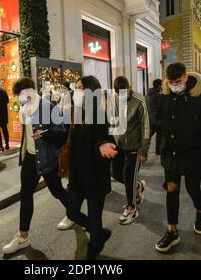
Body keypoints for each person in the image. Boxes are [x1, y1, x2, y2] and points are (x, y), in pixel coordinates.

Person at [2, 77, 71, 255]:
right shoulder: (24, 110)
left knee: (57, 191)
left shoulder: (49, 107)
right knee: (25, 194)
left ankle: (74, 213)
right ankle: (23, 237)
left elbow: (62, 135)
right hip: (30, 159)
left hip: (47, 158)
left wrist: (45, 134)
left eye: (20, 95)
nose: (18, 98)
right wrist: (23, 156)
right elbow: (26, 136)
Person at [155, 62, 201, 253]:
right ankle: (172, 231)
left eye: (177, 81)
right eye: (170, 81)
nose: (174, 85)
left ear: (186, 77)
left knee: (194, 189)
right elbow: (157, 120)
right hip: (171, 154)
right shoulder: (164, 97)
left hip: (193, 154)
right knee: (171, 190)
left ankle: (200, 212)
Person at [66, 75, 118, 260]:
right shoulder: (76, 113)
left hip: (94, 176)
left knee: (95, 218)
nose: (77, 91)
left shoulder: (99, 115)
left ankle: (96, 242)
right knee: (71, 211)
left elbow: (106, 141)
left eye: (81, 88)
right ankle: (99, 233)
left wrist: (102, 146)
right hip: (78, 176)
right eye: (76, 87)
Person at [111, 76, 150, 225]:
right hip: (119, 144)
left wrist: (144, 150)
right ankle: (138, 185)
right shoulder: (114, 99)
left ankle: (131, 207)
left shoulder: (140, 100)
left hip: (135, 146)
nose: (121, 95)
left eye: (124, 92)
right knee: (116, 174)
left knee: (128, 177)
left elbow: (146, 126)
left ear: (130, 86)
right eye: (118, 93)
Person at [146, 78, 163, 155]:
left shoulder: (148, 94)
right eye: (161, 85)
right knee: (159, 134)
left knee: (150, 134)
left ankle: (143, 147)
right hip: (157, 118)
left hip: (150, 117)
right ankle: (158, 151)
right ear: (159, 86)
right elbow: (161, 107)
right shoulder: (158, 95)